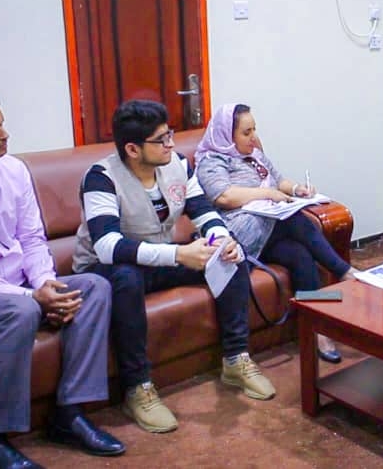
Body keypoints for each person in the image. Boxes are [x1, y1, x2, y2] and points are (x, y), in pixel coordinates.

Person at [0, 85, 124, 468]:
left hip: (24, 288)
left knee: (94, 287)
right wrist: (31, 298)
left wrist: (45, 283)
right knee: (20, 310)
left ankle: (69, 414)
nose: (5, 135)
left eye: (2, 124)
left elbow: (31, 238)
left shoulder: (12, 170)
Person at [73, 99, 276, 435]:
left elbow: (203, 212)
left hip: (161, 257)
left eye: (170, 135)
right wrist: (179, 255)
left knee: (230, 255)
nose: (171, 144)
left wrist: (222, 240)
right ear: (133, 149)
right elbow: (107, 247)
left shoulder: (178, 164)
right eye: (161, 139)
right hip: (105, 268)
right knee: (126, 279)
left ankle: (236, 359)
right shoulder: (101, 178)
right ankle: (138, 388)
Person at [194, 103, 358, 363]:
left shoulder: (254, 153)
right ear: (227, 135)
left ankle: (316, 330)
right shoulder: (212, 160)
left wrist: (296, 190)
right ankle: (344, 271)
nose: (253, 137)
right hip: (234, 234)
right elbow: (224, 196)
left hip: (267, 231)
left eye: (254, 129)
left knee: (300, 255)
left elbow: (278, 180)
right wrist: (268, 194)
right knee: (295, 219)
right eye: (246, 132)